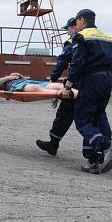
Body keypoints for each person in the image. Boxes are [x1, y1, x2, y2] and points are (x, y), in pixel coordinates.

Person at [61, 9, 112, 174]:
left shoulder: (81, 36)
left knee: (83, 121)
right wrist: (111, 83)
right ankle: (94, 160)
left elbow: (77, 63)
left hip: (91, 81)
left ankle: (107, 147)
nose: (76, 25)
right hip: (107, 80)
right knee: (98, 116)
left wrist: (68, 86)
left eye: (76, 22)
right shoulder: (109, 39)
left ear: (81, 20)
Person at [36, 17, 77, 156]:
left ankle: (53, 145)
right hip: (97, 83)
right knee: (93, 116)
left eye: (68, 29)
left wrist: (53, 79)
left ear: (74, 27)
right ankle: (103, 147)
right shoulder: (95, 41)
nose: (67, 32)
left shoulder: (73, 42)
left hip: (77, 83)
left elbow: (62, 62)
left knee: (64, 114)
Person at [0, 73, 64, 93]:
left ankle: (74, 91)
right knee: (35, 88)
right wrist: (8, 78)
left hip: (23, 81)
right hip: (14, 85)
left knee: (59, 85)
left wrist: (19, 75)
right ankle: (62, 93)